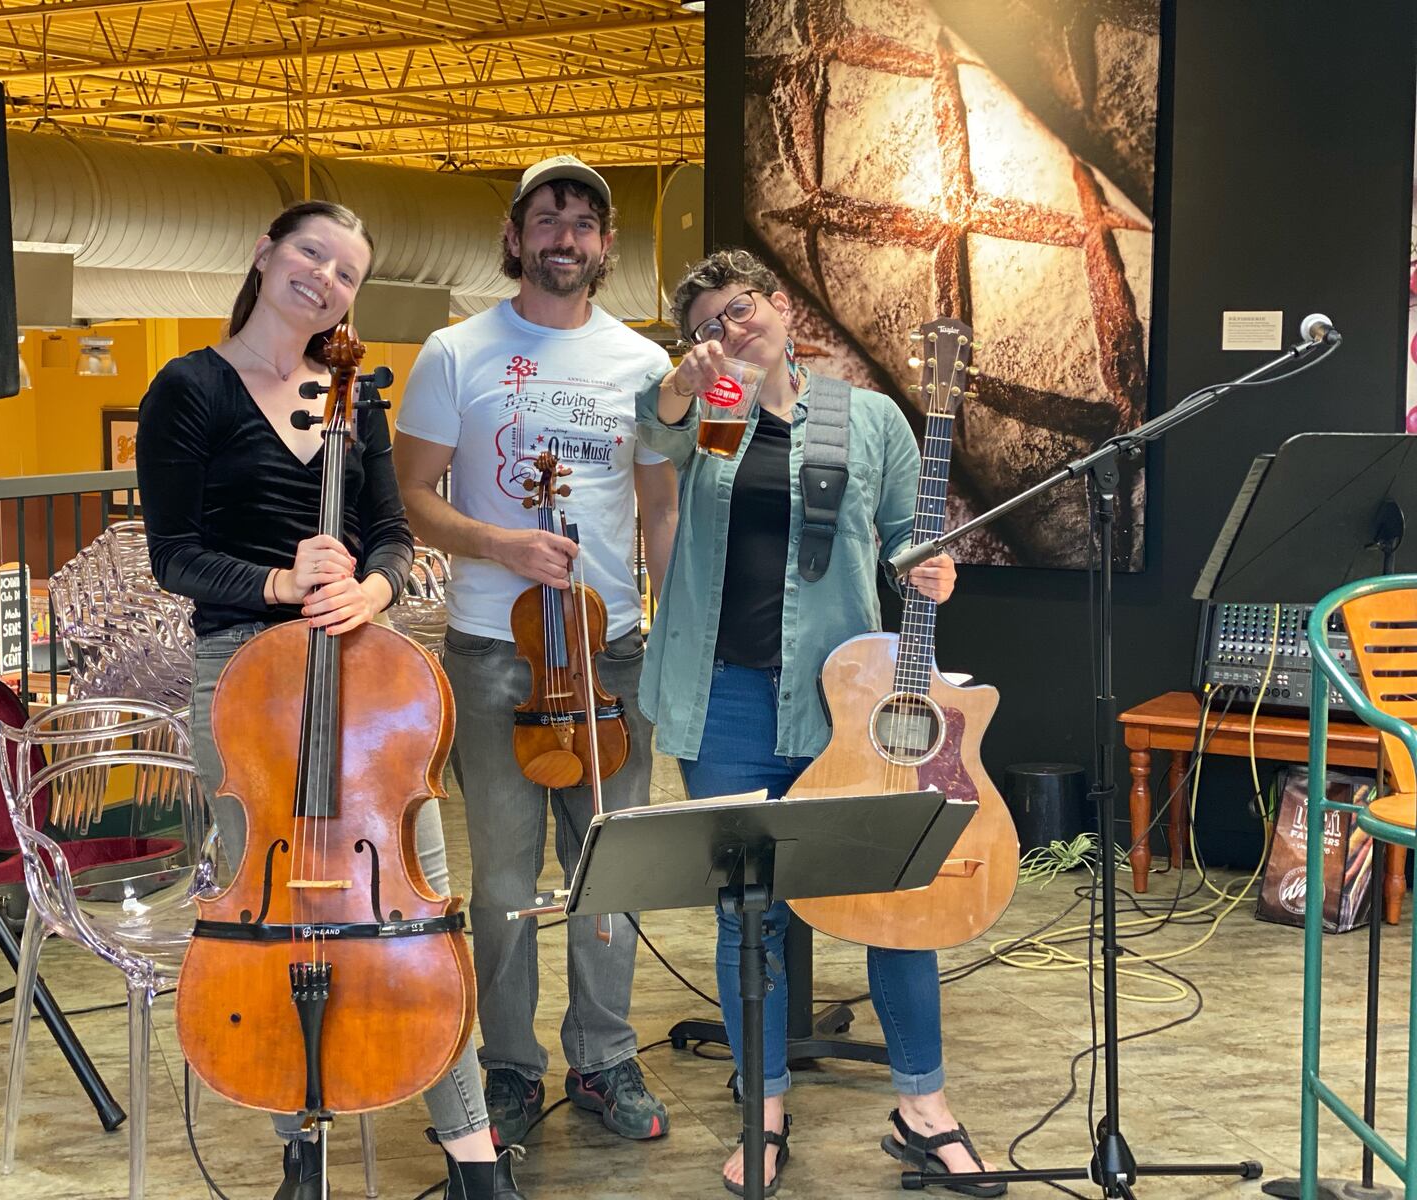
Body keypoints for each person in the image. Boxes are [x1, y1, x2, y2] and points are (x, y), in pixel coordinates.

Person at [136, 199, 525, 1200]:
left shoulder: (352, 395)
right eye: (313, 254)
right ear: (267, 253)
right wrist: (278, 584)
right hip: (243, 675)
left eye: (346, 272)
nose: (325, 279)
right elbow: (174, 555)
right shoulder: (189, 388)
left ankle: (473, 1151)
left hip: (361, 666)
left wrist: (370, 589)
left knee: (415, 906)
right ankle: (297, 1142)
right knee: (268, 923)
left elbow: (392, 531)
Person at [635, 248, 1002, 1198]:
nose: (730, 328)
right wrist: (691, 374)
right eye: (707, 320)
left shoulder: (866, 415)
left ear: (782, 304)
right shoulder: (706, 405)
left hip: (845, 703)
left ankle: (923, 1109)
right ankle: (762, 1110)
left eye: (741, 308)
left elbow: (899, 533)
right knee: (743, 908)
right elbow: (655, 430)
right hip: (722, 697)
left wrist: (930, 566)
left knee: (896, 901)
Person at [394, 156, 679, 1151]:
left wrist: (667, 622)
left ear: (605, 244)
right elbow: (413, 497)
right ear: (516, 237)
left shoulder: (643, 365)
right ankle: (509, 1068)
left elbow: (657, 506)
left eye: (585, 221)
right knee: (508, 883)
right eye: (547, 218)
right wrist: (500, 543)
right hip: (494, 652)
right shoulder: (453, 352)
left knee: (612, 863)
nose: (566, 235)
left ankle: (603, 1057)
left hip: (611, 657)